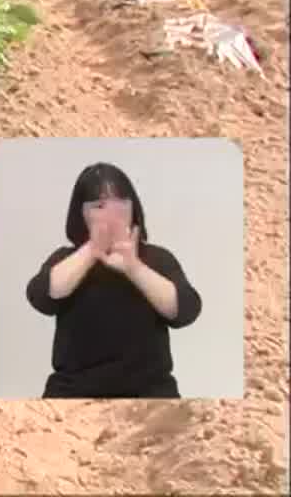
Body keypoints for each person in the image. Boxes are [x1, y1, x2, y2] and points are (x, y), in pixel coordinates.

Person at [24, 162, 202, 398]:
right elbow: (43, 295)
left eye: (120, 205)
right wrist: (92, 250)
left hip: (150, 393)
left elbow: (185, 311)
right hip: (73, 392)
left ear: (133, 210)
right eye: (99, 206)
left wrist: (133, 268)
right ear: (81, 213)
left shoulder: (157, 258)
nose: (110, 215)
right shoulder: (66, 258)